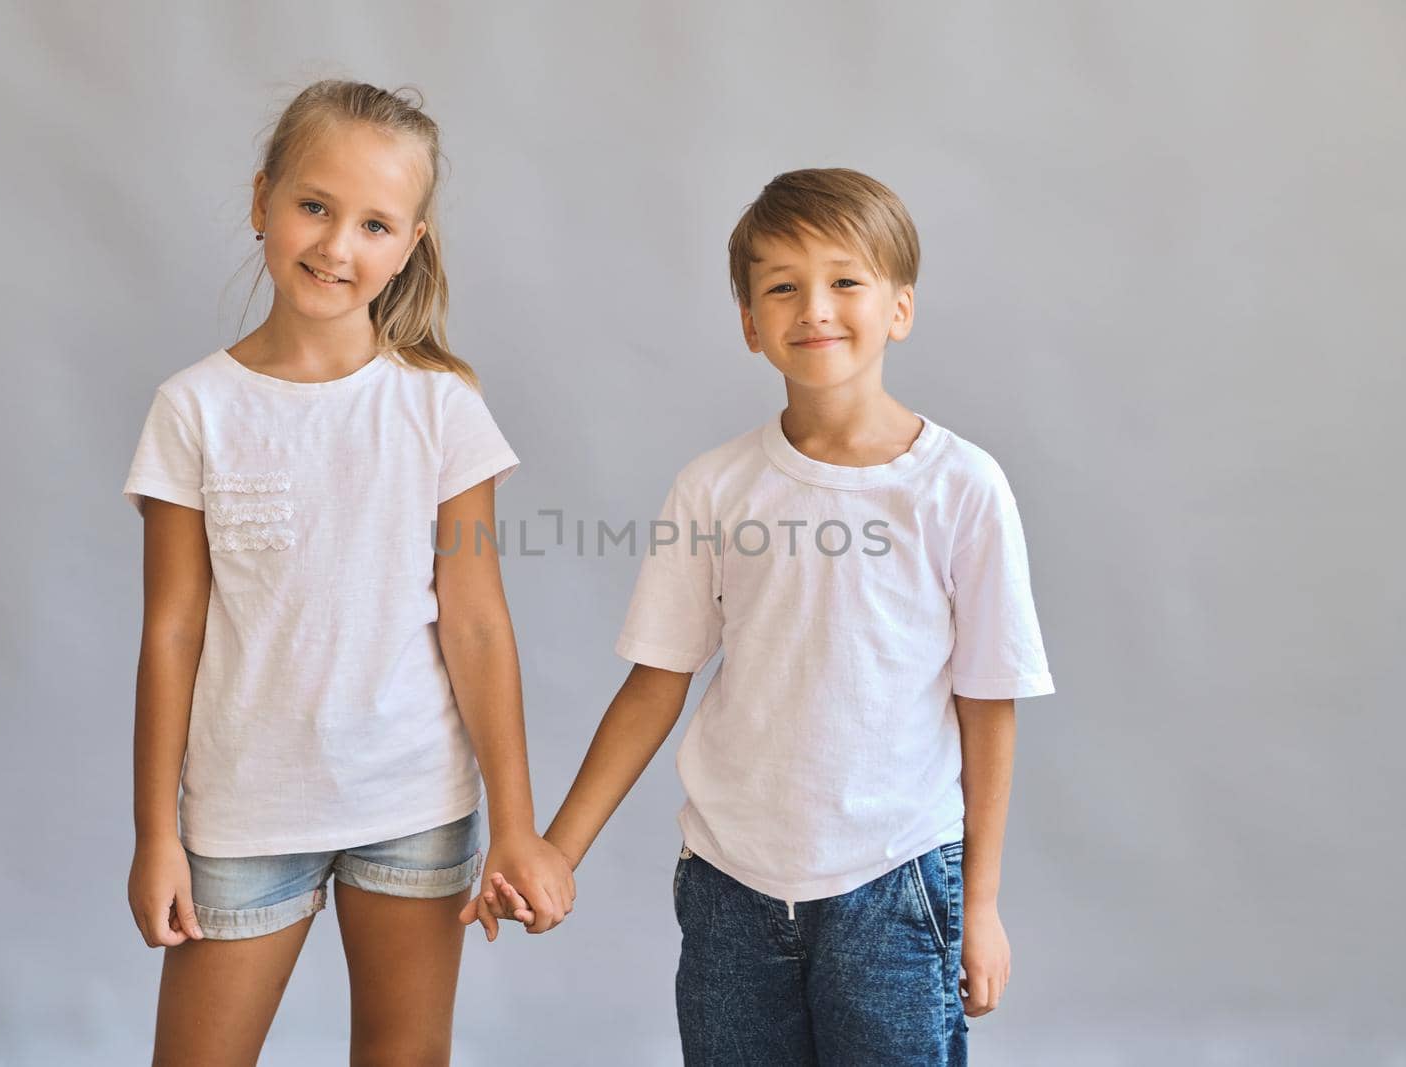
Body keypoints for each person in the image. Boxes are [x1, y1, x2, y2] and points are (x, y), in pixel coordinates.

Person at [470, 168, 1055, 1065]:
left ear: (900, 307)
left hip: (897, 885)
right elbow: (655, 684)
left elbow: (988, 704)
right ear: (750, 324)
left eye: (844, 280)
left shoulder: (960, 488)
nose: (814, 306)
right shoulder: (715, 487)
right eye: (782, 286)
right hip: (730, 891)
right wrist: (557, 849)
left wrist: (980, 905)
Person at [122, 79, 572, 1066]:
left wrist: (519, 823)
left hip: (412, 799)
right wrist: (157, 832)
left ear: (409, 243)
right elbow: (172, 630)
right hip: (245, 808)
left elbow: (477, 621)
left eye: (374, 223)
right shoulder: (193, 409)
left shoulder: (440, 407)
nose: (335, 245)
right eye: (313, 206)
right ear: (261, 201)